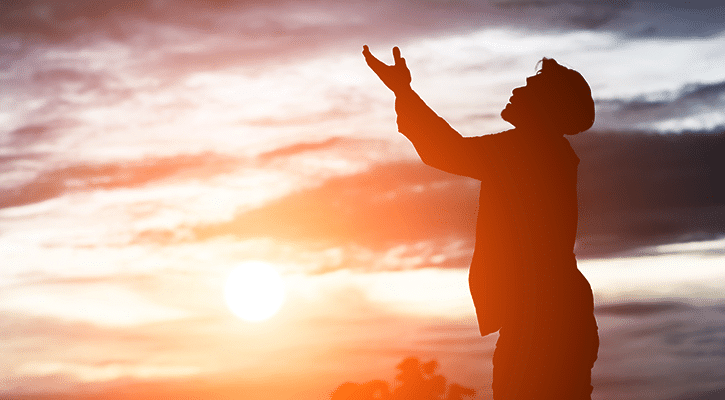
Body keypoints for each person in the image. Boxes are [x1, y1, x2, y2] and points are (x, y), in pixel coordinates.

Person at [362, 45, 599, 400]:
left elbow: (444, 150)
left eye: (530, 87)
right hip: (553, 316)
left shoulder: (529, 149)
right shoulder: (547, 151)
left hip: (543, 323)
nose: (517, 91)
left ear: (547, 106)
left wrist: (403, 91)